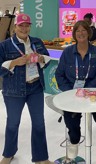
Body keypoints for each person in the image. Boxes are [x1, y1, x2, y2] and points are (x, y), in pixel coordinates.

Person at [55, 20, 96, 164]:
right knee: (73, 125)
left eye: (84, 30)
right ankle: (74, 142)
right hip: (71, 95)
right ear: (74, 34)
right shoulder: (67, 52)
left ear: (89, 33)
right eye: (77, 31)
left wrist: (86, 92)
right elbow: (59, 74)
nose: (81, 33)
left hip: (92, 95)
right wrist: (71, 92)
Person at [0, 13, 52, 164]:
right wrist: (15, 62)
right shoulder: (4, 45)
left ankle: (41, 157)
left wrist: (41, 58)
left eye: (27, 25)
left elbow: (47, 59)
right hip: (14, 91)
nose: (24, 28)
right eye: (21, 25)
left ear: (30, 27)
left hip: (35, 87)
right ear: (15, 27)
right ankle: (9, 153)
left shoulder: (37, 42)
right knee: (13, 123)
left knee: (39, 123)